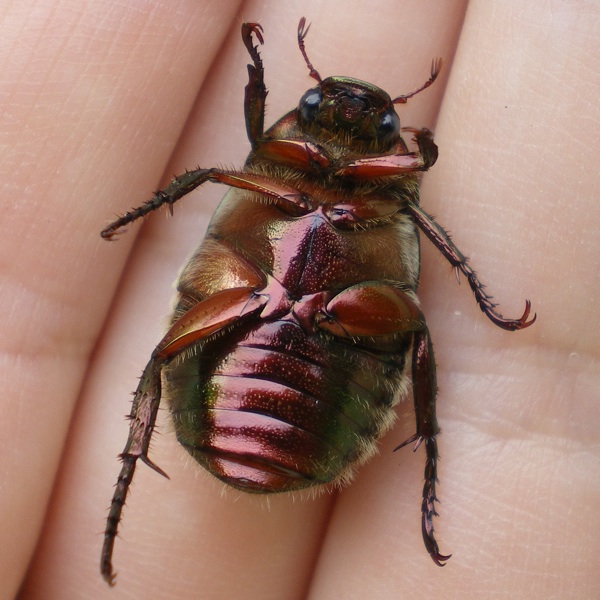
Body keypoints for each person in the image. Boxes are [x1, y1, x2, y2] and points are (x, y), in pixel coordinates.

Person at [4, 2, 598, 598]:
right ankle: (125, 474)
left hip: (304, 361)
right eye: (318, 107)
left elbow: (411, 187)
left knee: (408, 323)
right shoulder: (289, 164)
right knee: (172, 341)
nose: (343, 126)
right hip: (243, 344)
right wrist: (256, 80)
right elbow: (244, 152)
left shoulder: (394, 196)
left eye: (378, 126)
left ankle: (431, 449)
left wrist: (474, 282)